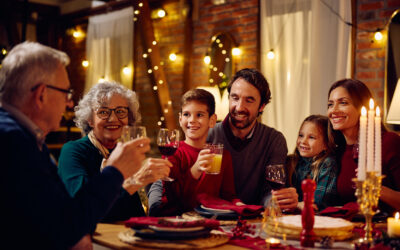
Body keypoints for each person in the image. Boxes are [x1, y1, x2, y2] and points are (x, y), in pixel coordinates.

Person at [0, 41, 149, 249]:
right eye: (65, 93)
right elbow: (69, 225)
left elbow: (57, 218)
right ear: (41, 94)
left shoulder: (28, 139)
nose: (69, 103)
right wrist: (116, 172)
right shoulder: (12, 141)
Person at [58, 82, 172, 223]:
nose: (113, 119)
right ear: (90, 120)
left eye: (120, 112)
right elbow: (83, 209)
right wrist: (137, 181)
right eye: (103, 112)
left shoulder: (123, 151)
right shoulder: (73, 151)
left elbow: (135, 212)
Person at [207, 68, 298, 209]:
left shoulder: (274, 140)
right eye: (235, 98)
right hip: (211, 216)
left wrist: (278, 202)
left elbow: (269, 192)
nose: (239, 107)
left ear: (261, 106)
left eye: (249, 101)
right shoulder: (208, 134)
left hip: (254, 220)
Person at [148, 89, 238, 216]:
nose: (191, 120)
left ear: (212, 120)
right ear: (180, 119)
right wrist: (195, 170)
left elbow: (228, 196)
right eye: (186, 114)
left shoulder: (223, 155)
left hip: (211, 220)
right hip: (176, 221)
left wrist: (239, 205)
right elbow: (175, 200)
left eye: (199, 115)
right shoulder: (172, 152)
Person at [327, 78, 400, 213]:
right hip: (348, 230)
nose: (334, 110)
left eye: (343, 103)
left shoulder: (389, 142)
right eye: (330, 104)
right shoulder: (336, 151)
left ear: (362, 108)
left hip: (386, 230)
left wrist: (376, 188)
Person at [286, 115, 338, 210]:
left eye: (311, 137)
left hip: (319, 219)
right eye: (301, 135)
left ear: (326, 144)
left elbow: (317, 203)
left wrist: (294, 205)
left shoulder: (327, 163)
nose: (303, 141)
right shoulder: (291, 162)